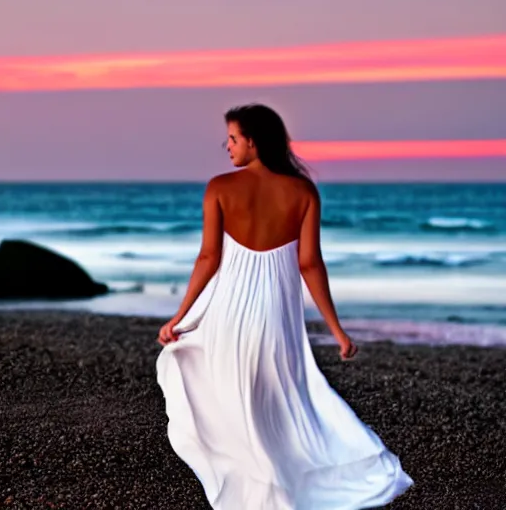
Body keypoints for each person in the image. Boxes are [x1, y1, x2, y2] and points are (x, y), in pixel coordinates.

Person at [155, 104, 413, 509]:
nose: (228, 146)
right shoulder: (303, 191)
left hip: (229, 314)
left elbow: (208, 259)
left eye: (234, 138)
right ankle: (281, 488)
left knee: (236, 403)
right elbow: (309, 265)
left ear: (253, 142)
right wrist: (337, 330)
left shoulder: (220, 187)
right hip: (277, 319)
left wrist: (180, 317)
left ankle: (260, 491)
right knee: (280, 403)